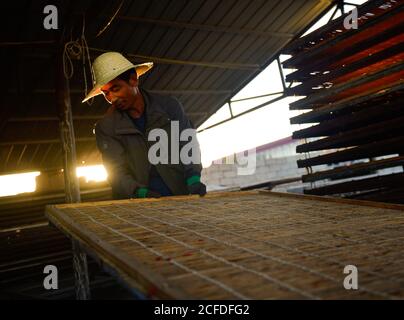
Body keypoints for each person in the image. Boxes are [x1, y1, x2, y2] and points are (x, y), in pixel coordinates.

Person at [82, 52, 206, 199]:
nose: (111, 98)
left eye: (115, 89)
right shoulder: (106, 127)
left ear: (133, 80)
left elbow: (188, 145)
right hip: (137, 204)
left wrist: (193, 178)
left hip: (179, 195)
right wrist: (138, 192)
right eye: (105, 93)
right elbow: (115, 171)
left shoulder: (169, 107)